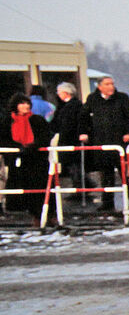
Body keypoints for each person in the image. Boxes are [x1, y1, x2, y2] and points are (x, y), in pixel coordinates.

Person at [80, 76, 129, 212]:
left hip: (120, 142)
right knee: (105, 174)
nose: (111, 86)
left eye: (112, 83)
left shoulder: (122, 98)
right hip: (101, 142)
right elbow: (84, 117)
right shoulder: (92, 99)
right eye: (107, 84)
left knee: (127, 172)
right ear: (99, 86)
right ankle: (107, 202)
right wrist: (84, 133)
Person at [0, 93, 53, 221]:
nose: (26, 106)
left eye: (27, 103)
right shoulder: (8, 121)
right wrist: (17, 147)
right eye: (22, 103)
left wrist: (32, 146)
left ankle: (46, 215)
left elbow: (45, 136)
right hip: (17, 160)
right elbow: (3, 139)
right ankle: (31, 214)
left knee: (40, 188)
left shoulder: (37, 120)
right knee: (22, 189)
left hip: (36, 159)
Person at [50, 82, 87, 201]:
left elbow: (79, 121)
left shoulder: (74, 106)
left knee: (74, 165)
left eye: (59, 92)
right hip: (66, 138)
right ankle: (82, 185)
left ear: (66, 93)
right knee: (71, 165)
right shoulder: (64, 106)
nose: (58, 94)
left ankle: (80, 188)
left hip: (71, 139)